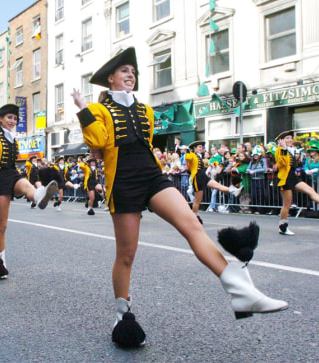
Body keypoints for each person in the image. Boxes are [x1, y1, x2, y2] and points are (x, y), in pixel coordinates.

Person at [72, 47, 287, 348]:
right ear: (111, 78)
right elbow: (98, 141)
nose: (131, 75)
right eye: (125, 71)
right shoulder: (98, 110)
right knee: (126, 255)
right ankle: (123, 315)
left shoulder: (145, 109)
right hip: (123, 182)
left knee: (192, 225)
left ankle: (243, 293)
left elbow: (144, 143)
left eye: (133, 71)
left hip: (152, 176)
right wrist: (83, 108)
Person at [0, 104, 58, 279]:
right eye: (9, 117)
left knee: (25, 184)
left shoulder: (13, 138)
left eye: (14, 118)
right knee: (2, 225)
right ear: (1, 119)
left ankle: (39, 195)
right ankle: (1, 261)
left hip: (12, 173)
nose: (12, 121)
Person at [275, 131, 319, 235]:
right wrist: (284, 149)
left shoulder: (291, 150)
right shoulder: (280, 150)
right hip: (285, 179)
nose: (290, 140)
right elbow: (281, 164)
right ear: (281, 140)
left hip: (293, 177)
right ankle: (282, 227)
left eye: (290, 138)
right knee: (287, 204)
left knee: (310, 190)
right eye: (287, 138)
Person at [184, 141, 243, 223]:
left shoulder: (199, 156)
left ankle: (233, 190)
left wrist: (214, 164)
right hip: (197, 177)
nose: (201, 148)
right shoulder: (192, 154)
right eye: (199, 147)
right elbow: (187, 158)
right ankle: (194, 216)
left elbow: (204, 164)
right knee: (198, 200)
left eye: (202, 147)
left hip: (202, 175)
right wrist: (187, 151)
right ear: (194, 148)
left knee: (217, 185)